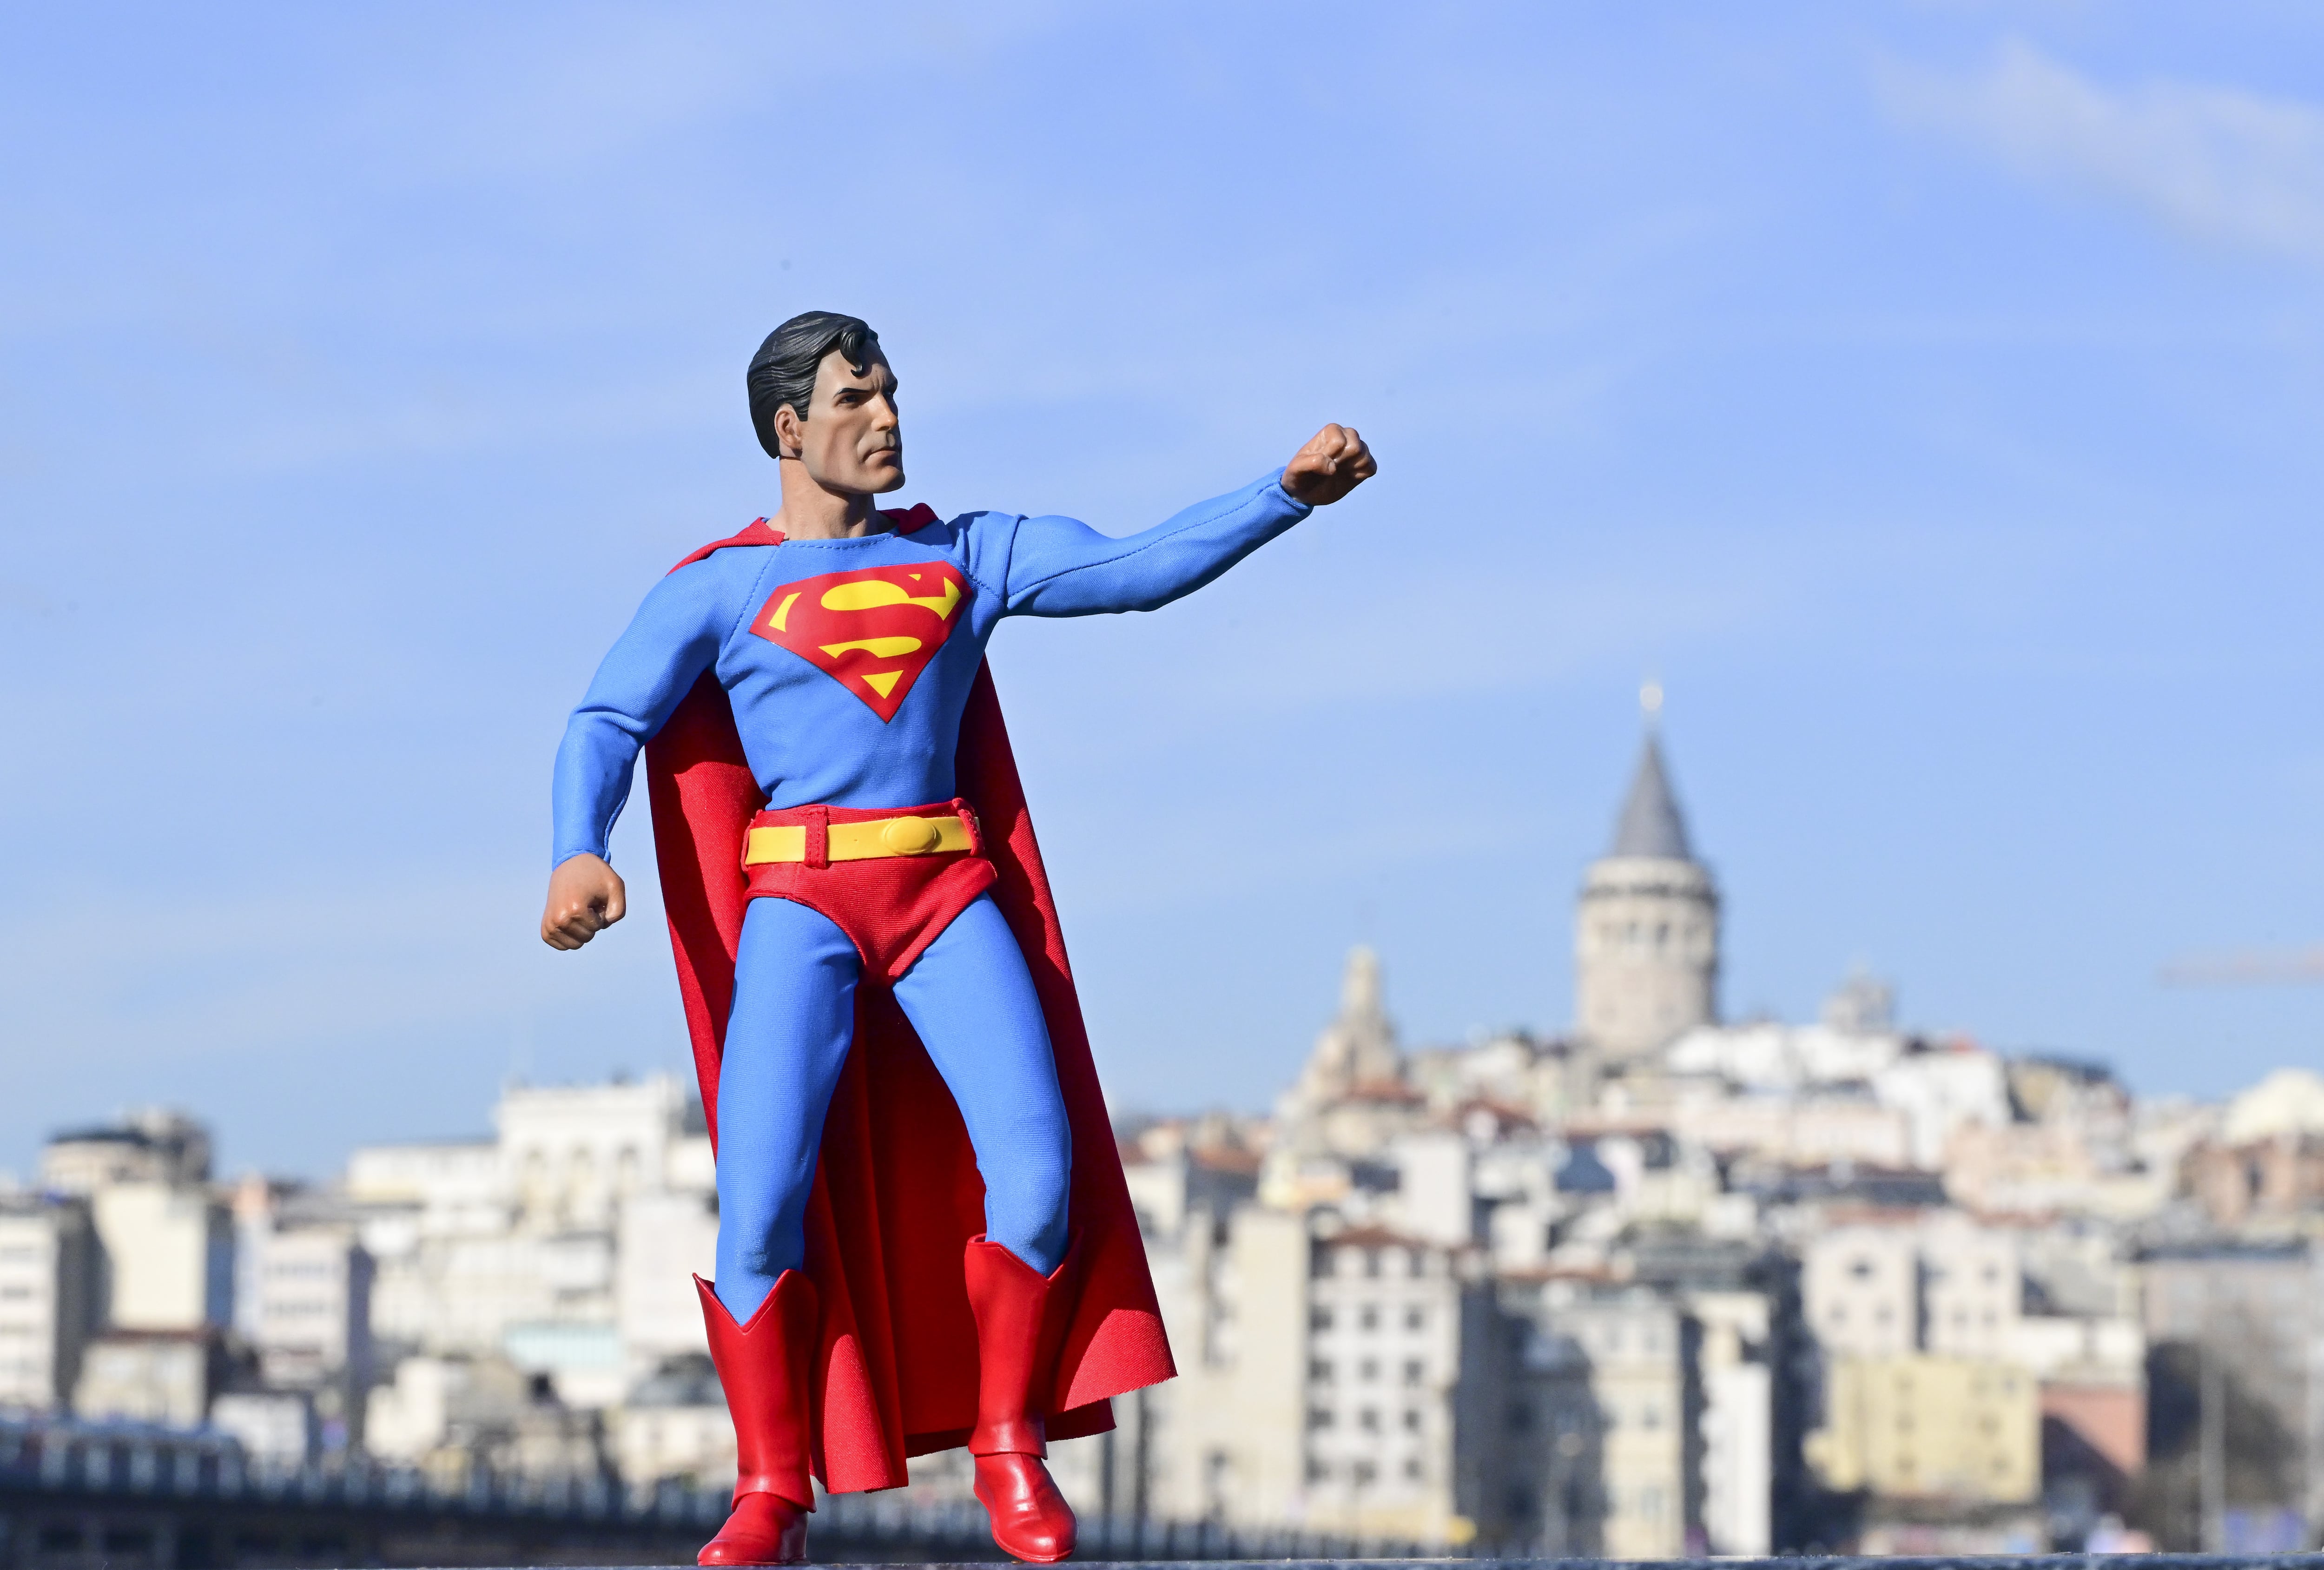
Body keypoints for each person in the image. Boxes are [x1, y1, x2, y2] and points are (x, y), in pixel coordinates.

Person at [541, 311, 1373, 1564]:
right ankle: (770, 1485)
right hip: (801, 907)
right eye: (855, 400)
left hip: (941, 892)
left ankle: (1007, 1443)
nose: (886, 420)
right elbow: (606, 717)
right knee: (760, 1206)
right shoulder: (720, 585)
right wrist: (577, 845)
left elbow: (1134, 566)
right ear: (789, 429)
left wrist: (1283, 496)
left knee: (1038, 1177)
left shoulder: (966, 553)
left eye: (890, 394)